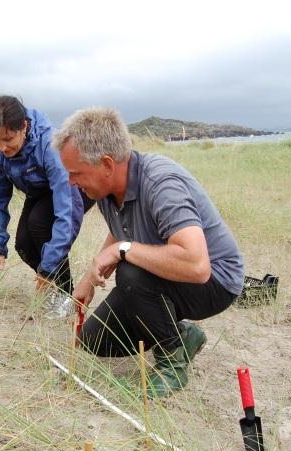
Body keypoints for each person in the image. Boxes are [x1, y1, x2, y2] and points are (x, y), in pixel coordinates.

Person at [53, 108, 244, 397]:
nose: (70, 182)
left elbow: (197, 265)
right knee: (92, 340)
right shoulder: (105, 190)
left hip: (215, 282)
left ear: (106, 164)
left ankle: (172, 363)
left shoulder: (160, 183)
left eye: (75, 173)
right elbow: (121, 230)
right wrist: (88, 281)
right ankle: (182, 334)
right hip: (161, 279)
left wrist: (122, 250)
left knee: (130, 269)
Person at [0, 95, 92, 318]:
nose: (2, 147)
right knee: (23, 244)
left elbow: (65, 207)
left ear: (24, 126)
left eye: (8, 139)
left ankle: (67, 296)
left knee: (39, 224)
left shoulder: (50, 146)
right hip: (40, 191)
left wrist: (49, 266)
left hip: (74, 187)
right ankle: (52, 284)